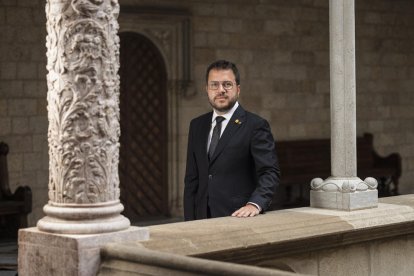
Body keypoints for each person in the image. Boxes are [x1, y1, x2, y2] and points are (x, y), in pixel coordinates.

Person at [184, 59, 280, 220]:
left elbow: (270, 172)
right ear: (207, 89)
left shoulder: (255, 125)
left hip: (238, 217)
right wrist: (188, 222)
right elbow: (191, 179)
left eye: (227, 84)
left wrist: (255, 204)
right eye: (214, 85)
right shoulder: (197, 125)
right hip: (201, 218)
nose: (220, 90)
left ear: (238, 89)